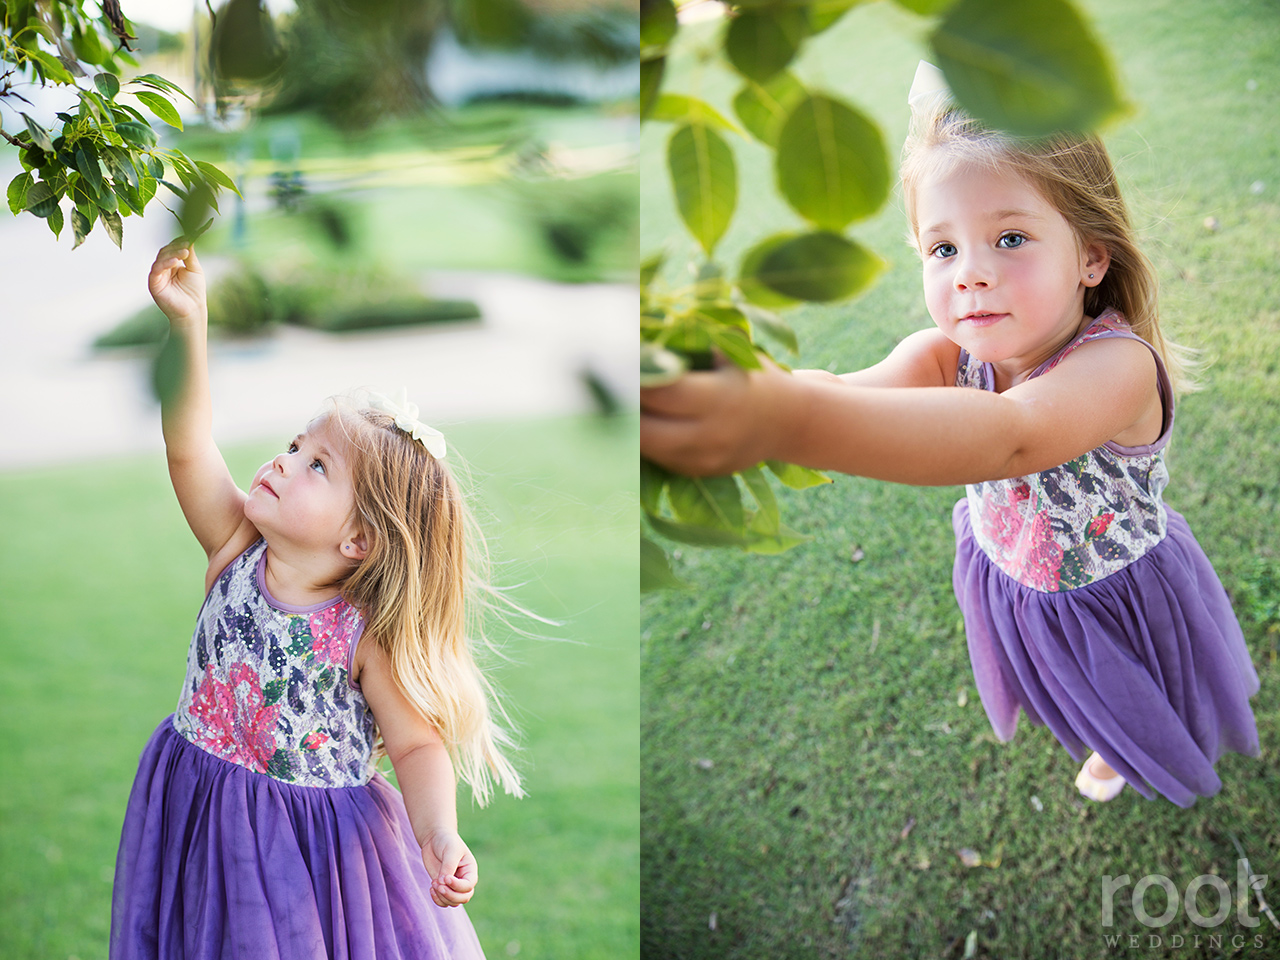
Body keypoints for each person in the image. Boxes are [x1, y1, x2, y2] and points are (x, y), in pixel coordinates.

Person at [640, 65, 1260, 808]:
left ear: (1091, 256)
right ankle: (1102, 730)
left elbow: (1012, 436)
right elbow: (839, 393)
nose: (971, 274)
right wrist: (733, 391)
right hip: (1018, 578)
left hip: (1118, 591)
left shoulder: (1118, 367)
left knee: (1143, 684)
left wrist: (783, 418)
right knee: (1071, 681)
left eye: (1009, 238)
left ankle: (1133, 742)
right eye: (943, 249)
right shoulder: (944, 355)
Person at [111, 240, 523, 958]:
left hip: (305, 856)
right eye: (297, 445)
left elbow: (418, 741)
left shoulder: (363, 634)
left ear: (360, 540)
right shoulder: (235, 547)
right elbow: (188, 445)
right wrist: (190, 327)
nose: (285, 460)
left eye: (317, 465)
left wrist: (438, 832)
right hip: (195, 806)